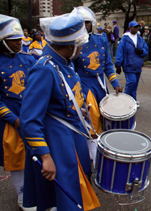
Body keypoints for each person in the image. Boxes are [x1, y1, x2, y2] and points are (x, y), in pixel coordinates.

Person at [20, 11, 100, 211]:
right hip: (58, 143)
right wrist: (45, 156)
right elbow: (29, 120)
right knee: (66, 196)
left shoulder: (65, 64)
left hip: (73, 137)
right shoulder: (44, 69)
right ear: (70, 45)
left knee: (76, 189)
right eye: (79, 44)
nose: (82, 48)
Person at [0, 14, 36, 210]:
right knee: (17, 158)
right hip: (10, 119)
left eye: (19, 40)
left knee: (37, 152)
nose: (19, 43)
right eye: (14, 40)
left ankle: (36, 190)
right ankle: (22, 195)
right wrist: (14, 120)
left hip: (32, 114)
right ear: (3, 42)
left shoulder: (29, 59)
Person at [72, 6, 122, 163]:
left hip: (100, 84)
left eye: (87, 22)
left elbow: (107, 64)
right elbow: (72, 70)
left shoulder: (101, 39)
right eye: (82, 23)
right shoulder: (73, 43)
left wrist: (115, 82)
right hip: (83, 83)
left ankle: (98, 149)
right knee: (92, 117)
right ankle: (93, 156)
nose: (85, 26)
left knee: (104, 117)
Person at [115, 21, 148, 103]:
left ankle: (133, 100)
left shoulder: (140, 39)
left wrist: (141, 51)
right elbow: (120, 51)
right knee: (131, 83)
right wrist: (118, 64)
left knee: (135, 85)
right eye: (134, 27)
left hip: (137, 65)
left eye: (137, 27)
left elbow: (146, 50)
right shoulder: (125, 39)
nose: (136, 28)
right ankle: (124, 100)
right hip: (128, 65)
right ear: (130, 28)